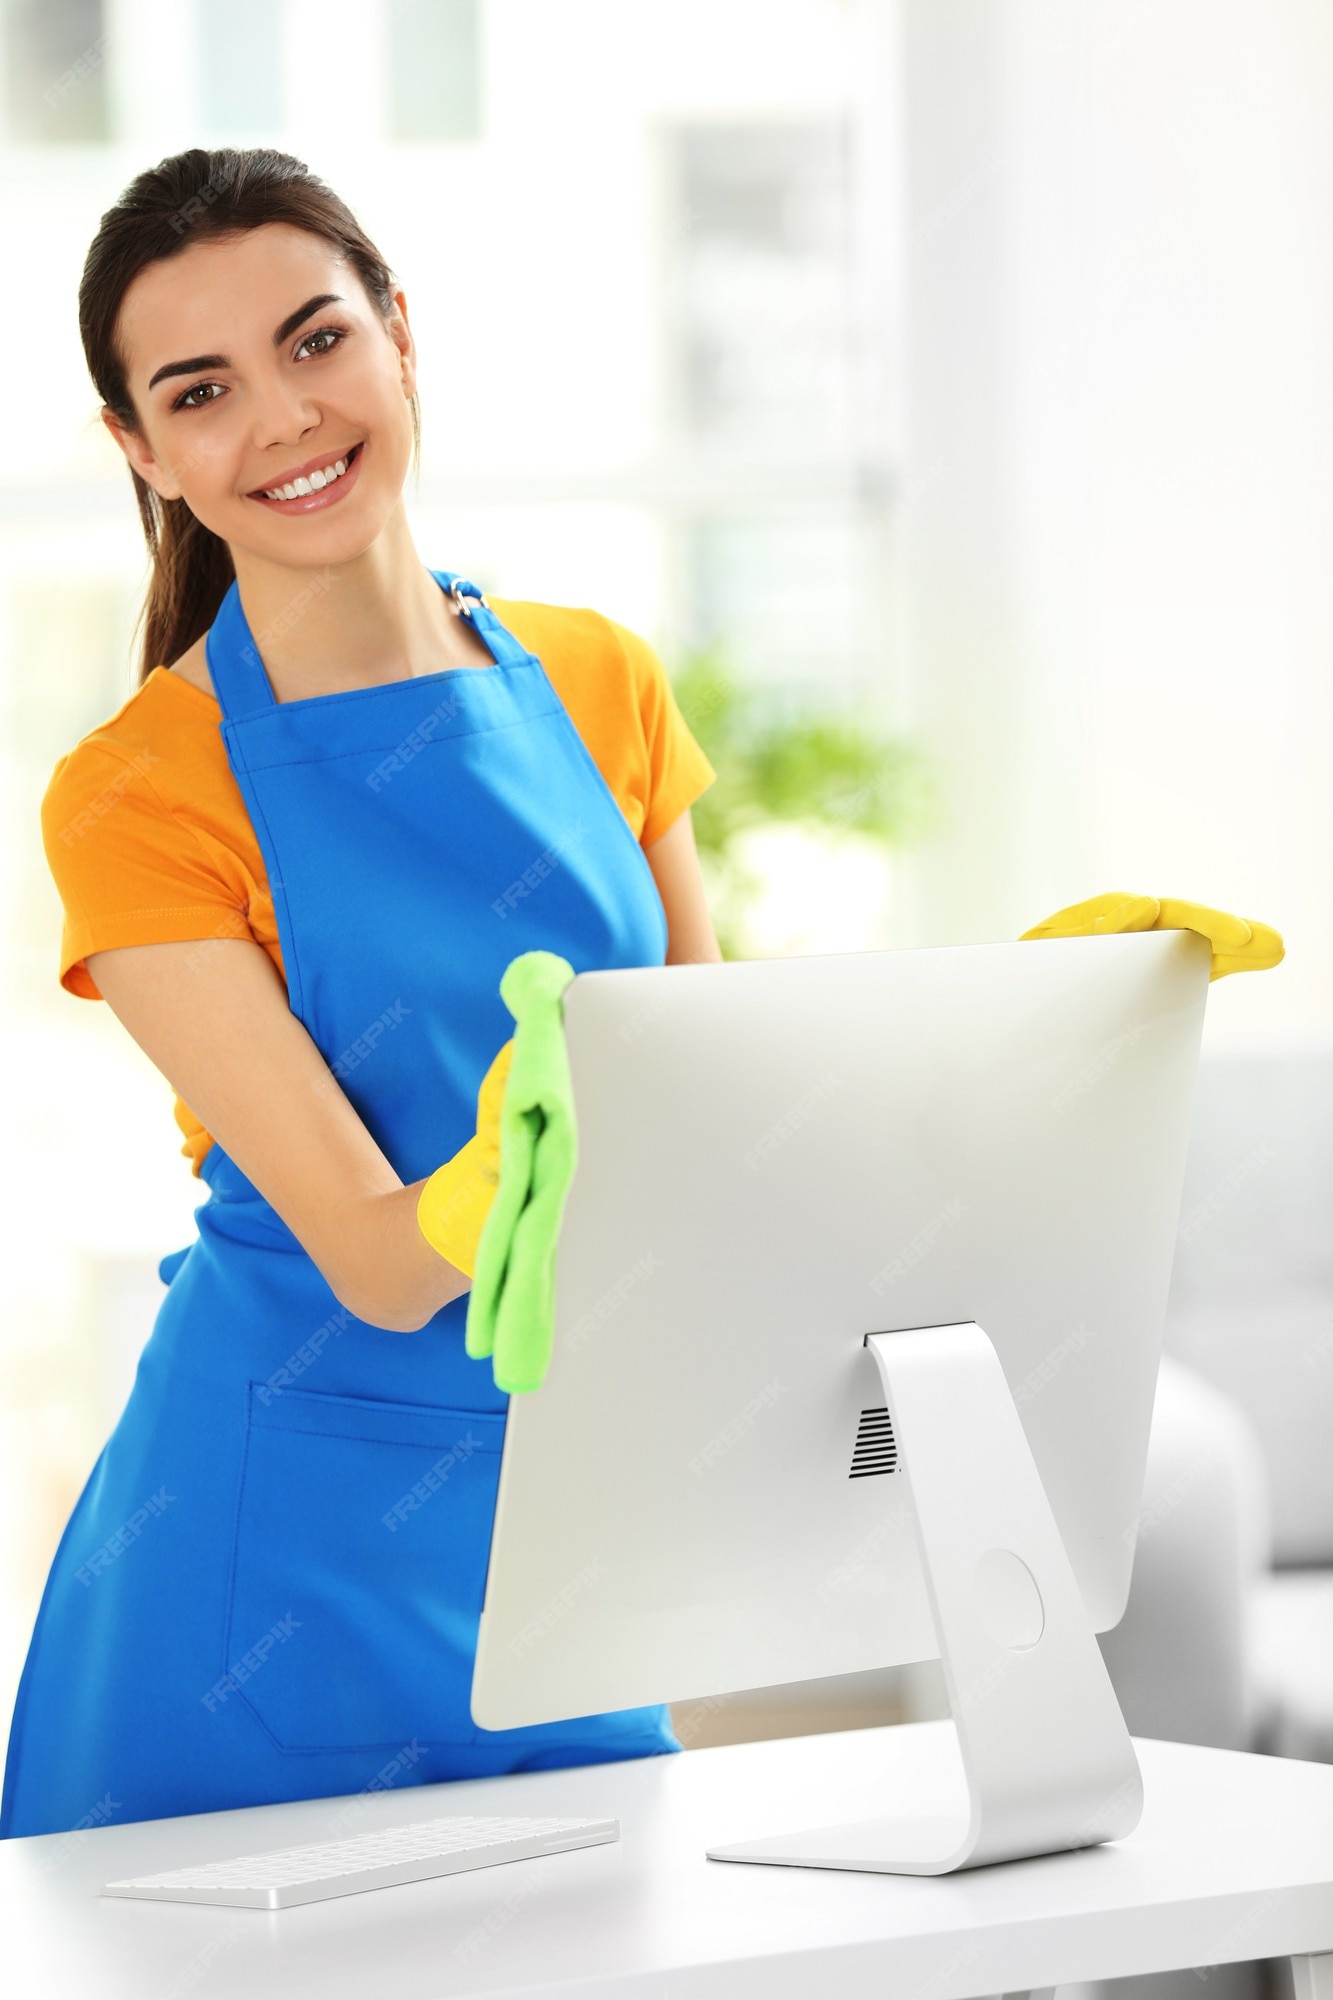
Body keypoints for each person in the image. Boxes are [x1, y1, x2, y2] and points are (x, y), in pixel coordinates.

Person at [0, 147, 722, 1839]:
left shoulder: (601, 676)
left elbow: (720, 1095)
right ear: (143, 454)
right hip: (265, 1563)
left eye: (316, 341)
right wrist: (511, 1166)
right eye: (200, 391)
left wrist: (1065, 1026)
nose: (283, 420)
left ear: (401, 337)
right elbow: (383, 1261)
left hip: (560, 1518)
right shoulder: (138, 793)